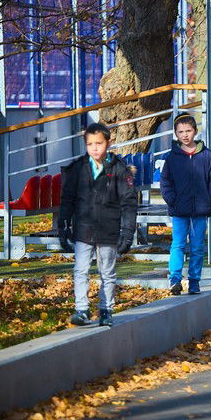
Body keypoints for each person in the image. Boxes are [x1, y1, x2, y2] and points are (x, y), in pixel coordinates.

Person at [58, 123, 137, 327]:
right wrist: (63, 226)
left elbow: (129, 201)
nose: (94, 148)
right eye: (90, 144)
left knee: (107, 271)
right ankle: (82, 309)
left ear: (108, 143)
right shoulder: (77, 168)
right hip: (83, 229)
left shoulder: (119, 169)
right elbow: (67, 198)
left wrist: (127, 232)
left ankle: (106, 309)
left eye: (99, 143)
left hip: (109, 229)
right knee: (81, 269)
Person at [161, 114, 211, 295]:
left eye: (188, 131)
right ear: (176, 134)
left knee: (197, 246)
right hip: (179, 209)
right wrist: (171, 199)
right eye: (180, 132)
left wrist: (210, 196)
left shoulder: (207, 155)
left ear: (195, 131)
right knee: (178, 244)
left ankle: (194, 280)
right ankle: (175, 279)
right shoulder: (172, 157)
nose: (185, 135)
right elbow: (166, 181)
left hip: (200, 209)